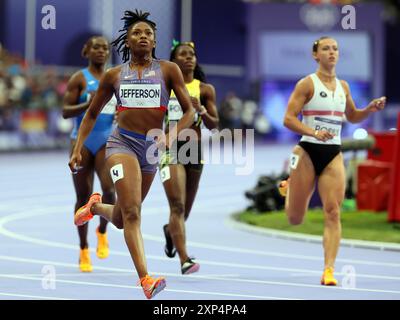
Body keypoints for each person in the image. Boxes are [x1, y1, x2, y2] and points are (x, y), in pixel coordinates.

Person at [68, 9, 196, 299]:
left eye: (148, 33)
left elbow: (189, 112)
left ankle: (96, 208)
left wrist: (172, 135)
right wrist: (78, 150)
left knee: (121, 219)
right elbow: (90, 115)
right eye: (136, 32)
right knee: (133, 213)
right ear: (127, 39)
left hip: (151, 149)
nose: (142, 36)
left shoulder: (168, 70)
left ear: (154, 41)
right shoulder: (115, 75)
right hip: (120, 145)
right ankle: (146, 280)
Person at [280, 36, 386, 286]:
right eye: (326, 49)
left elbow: (352, 116)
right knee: (295, 219)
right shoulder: (307, 84)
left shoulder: (344, 87)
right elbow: (288, 119)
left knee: (333, 212)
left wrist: (369, 109)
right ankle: (289, 189)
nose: (331, 52)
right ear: (315, 55)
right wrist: (314, 132)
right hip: (307, 151)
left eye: (335, 49)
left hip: (332, 154)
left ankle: (329, 270)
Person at [161, 40, 219, 274]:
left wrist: (202, 110)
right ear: (174, 62)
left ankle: (169, 231)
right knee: (177, 205)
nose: (188, 58)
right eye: (182, 54)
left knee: (183, 213)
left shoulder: (205, 90)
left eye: (192, 54)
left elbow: (215, 126)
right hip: (170, 149)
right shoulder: (165, 88)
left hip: (194, 151)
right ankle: (184, 259)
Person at [63, 36, 116, 273]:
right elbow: (65, 111)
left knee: (110, 190)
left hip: (106, 139)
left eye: (105, 48)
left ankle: (102, 231)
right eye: (97, 47)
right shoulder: (79, 78)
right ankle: (83, 249)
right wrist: (88, 105)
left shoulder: (114, 77)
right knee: (83, 197)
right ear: (88, 51)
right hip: (82, 141)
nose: (102, 51)